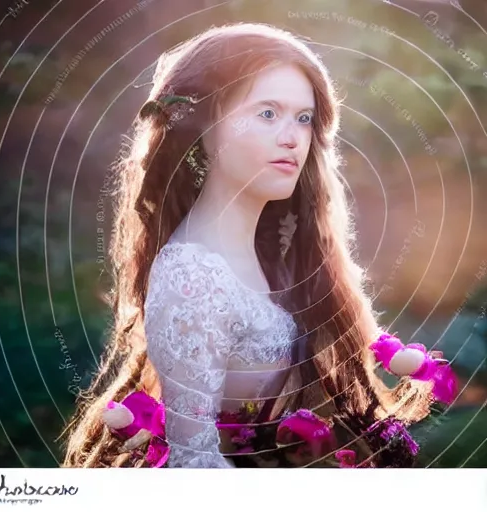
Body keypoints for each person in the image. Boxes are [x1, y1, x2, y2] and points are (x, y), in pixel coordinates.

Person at [61, 22, 440, 469]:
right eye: (267, 113)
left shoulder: (273, 252)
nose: (292, 137)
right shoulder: (192, 275)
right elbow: (194, 464)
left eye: (304, 118)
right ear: (203, 126)